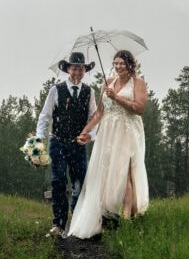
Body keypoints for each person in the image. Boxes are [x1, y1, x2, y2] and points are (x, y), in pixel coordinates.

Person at [67, 49, 149, 239]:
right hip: (108, 133)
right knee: (107, 171)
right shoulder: (107, 83)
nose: (119, 66)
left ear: (130, 64)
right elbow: (100, 113)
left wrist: (117, 98)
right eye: (116, 63)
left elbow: (140, 108)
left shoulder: (138, 83)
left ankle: (127, 217)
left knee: (125, 171)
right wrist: (85, 131)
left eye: (122, 63)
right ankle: (108, 213)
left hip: (128, 131)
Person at [36, 52, 98, 237]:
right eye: (74, 68)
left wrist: (90, 136)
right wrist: (39, 140)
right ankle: (59, 224)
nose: (78, 71)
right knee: (58, 182)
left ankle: (78, 222)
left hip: (78, 145)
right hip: (58, 142)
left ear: (84, 70)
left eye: (81, 68)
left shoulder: (90, 92)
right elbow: (44, 116)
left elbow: (94, 118)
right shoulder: (55, 90)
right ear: (67, 69)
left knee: (80, 183)